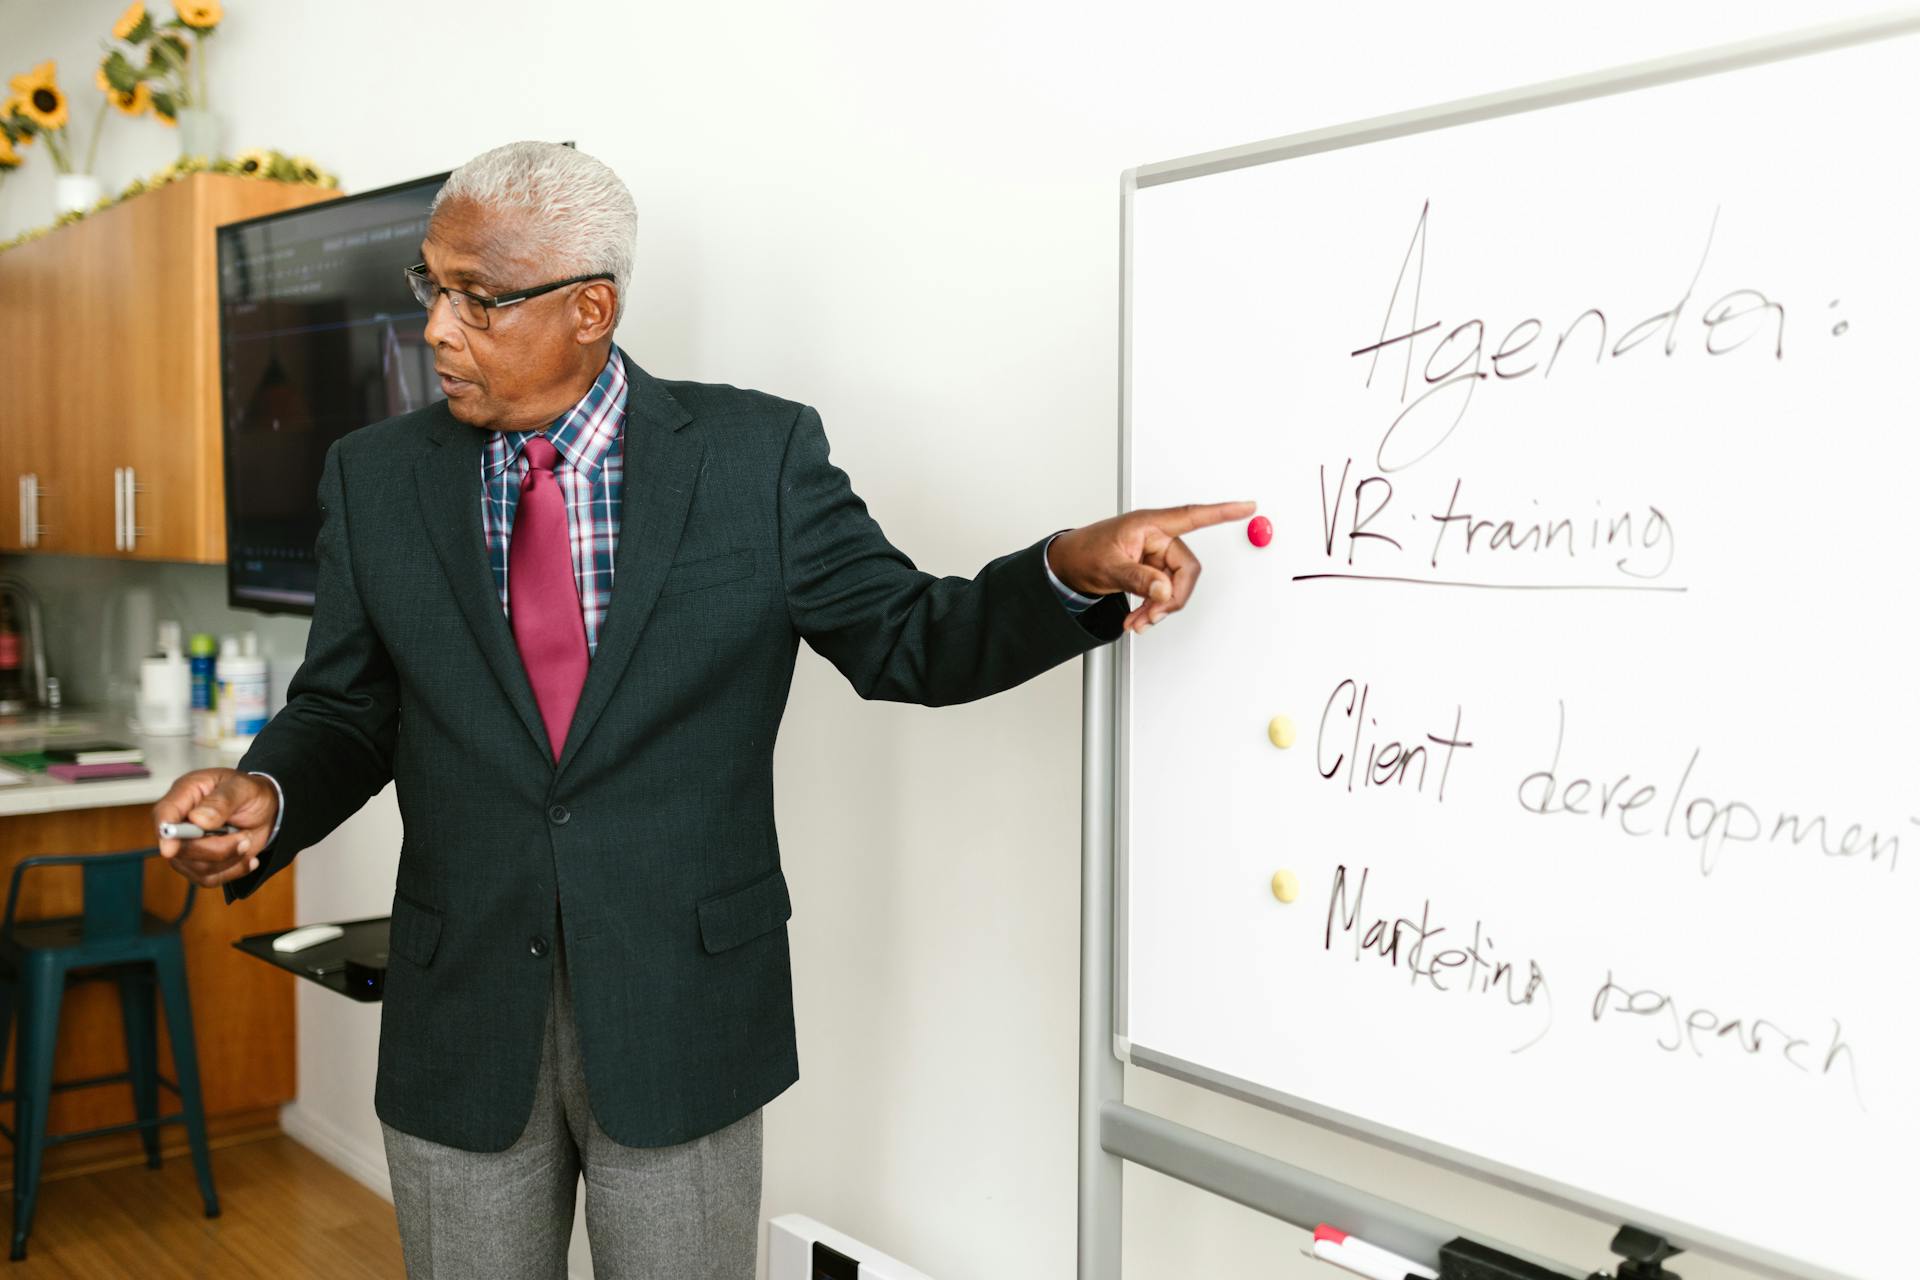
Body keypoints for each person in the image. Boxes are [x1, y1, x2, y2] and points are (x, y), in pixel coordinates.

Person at [152, 140, 1253, 1280]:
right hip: (462, 1007)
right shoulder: (372, 475)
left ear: (592, 306)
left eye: (479, 299)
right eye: (431, 287)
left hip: (683, 1005)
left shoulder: (754, 458)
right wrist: (266, 788)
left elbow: (914, 640)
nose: (436, 327)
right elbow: (347, 705)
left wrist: (1069, 564)